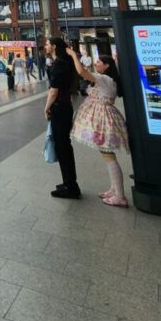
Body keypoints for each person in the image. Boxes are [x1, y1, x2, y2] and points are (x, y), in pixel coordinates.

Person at [67, 48, 130, 207]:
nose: (96, 64)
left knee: (109, 157)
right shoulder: (109, 79)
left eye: (98, 62)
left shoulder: (104, 79)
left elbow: (81, 72)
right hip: (104, 119)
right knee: (107, 155)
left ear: (107, 65)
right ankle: (114, 189)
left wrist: (73, 55)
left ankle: (120, 196)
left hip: (103, 121)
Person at [44, 36, 80, 199]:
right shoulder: (64, 62)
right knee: (64, 146)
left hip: (59, 107)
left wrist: (46, 107)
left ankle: (70, 186)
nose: (45, 46)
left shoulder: (59, 64)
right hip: (65, 106)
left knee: (62, 147)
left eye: (47, 44)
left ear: (54, 46)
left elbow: (54, 91)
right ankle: (69, 182)